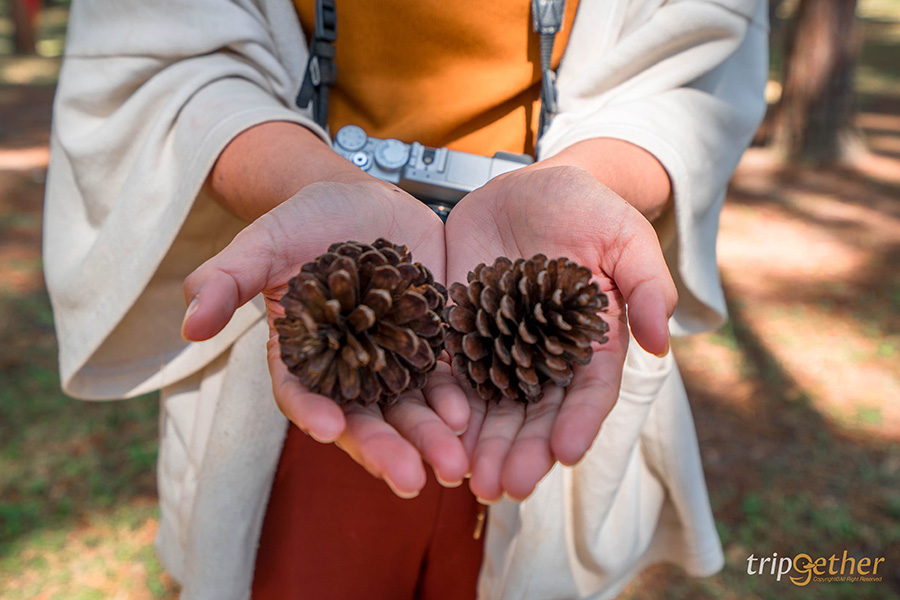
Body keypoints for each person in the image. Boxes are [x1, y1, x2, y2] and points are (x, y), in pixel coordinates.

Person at [43, 0, 768, 598]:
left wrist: (594, 181)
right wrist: (308, 184)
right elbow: (163, 58)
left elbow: (693, 67)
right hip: (303, 385)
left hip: (528, 380)